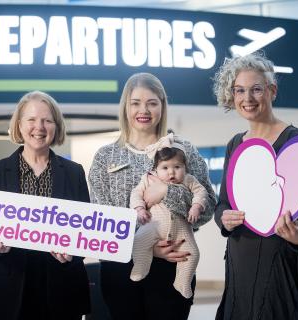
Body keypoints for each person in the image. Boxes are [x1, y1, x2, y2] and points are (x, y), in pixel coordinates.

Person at [88, 72, 216, 320]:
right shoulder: (106, 156)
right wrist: (147, 246)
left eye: (151, 103)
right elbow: (101, 219)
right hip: (121, 270)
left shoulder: (184, 150)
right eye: (135, 103)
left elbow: (208, 206)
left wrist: (168, 192)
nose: (143, 110)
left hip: (174, 265)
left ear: (162, 105)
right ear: (126, 106)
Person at [212, 53, 298, 320]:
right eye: (239, 90)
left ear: (272, 91)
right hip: (240, 262)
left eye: (256, 89)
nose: (247, 98)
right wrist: (223, 218)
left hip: (279, 263)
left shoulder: (297, 142)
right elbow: (224, 202)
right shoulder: (235, 144)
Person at [0, 91, 90, 320]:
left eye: (47, 120)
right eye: (31, 119)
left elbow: (86, 232)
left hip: (62, 288)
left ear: (56, 127)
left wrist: (73, 254)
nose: (39, 127)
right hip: (9, 289)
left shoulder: (74, 172)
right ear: (19, 125)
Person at [130, 133, 207, 299]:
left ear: (185, 167)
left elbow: (201, 193)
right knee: (139, 241)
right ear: (156, 168)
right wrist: (140, 209)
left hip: (182, 229)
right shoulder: (148, 179)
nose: (171, 172)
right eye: (165, 168)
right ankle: (141, 266)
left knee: (193, 253)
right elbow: (136, 194)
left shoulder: (189, 180)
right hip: (153, 224)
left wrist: (196, 206)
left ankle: (182, 281)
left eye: (177, 167)